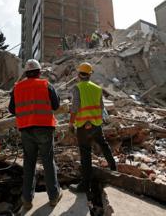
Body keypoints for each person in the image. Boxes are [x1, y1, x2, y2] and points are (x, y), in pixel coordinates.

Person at [8, 59, 62, 210]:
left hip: (26, 129)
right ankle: (53, 196)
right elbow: (56, 105)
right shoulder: (46, 85)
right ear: (39, 72)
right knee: (48, 162)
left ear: (26, 73)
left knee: (29, 163)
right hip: (44, 128)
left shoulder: (17, 88)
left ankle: (27, 199)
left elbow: (12, 110)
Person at [69, 62, 117, 194]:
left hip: (83, 127)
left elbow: (75, 108)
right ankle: (113, 168)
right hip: (96, 125)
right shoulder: (97, 88)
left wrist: (70, 123)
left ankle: (85, 186)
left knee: (85, 155)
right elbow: (101, 107)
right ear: (90, 75)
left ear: (79, 74)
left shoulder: (77, 88)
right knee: (104, 145)